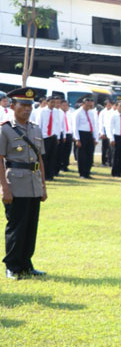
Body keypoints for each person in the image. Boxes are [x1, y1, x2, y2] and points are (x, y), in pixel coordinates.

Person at [0, 88, 47, 280]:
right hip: (15, 183)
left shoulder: (35, 128)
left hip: (33, 183)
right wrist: (4, 187)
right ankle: (12, 265)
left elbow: (39, 159)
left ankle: (26, 264)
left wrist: (43, 186)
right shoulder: (5, 129)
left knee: (30, 226)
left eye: (30, 105)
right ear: (13, 106)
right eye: (23, 105)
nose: (27, 109)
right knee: (16, 226)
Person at [72, 96, 97, 179]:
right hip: (81, 134)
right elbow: (75, 126)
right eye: (87, 105)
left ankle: (87, 171)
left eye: (90, 105)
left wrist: (94, 137)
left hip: (89, 134)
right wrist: (77, 139)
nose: (88, 107)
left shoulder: (91, 112)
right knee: (82, 155)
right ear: (83, 104)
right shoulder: (78, 113)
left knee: (89, 154)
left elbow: (93, 125)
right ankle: (82, 173)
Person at [106, 100, 121, 177]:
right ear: (116, 106)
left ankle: (120, 172)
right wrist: (111, 138)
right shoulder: (113, 115)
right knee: (115, 155)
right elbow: (109, 128)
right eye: (120, 105)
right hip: (115, 137)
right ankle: (114, 172)